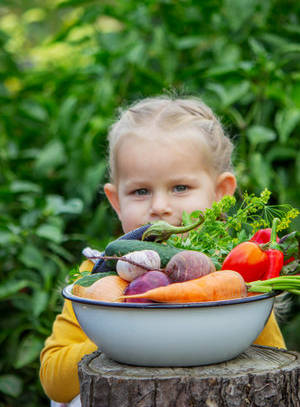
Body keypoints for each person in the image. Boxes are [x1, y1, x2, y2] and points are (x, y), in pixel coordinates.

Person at [40, 96, 286, 405]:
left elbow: (272, 367)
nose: (159, 207)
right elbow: (53, 382)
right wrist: (119, 336)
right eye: (140, 191)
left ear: (221, 192)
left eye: (180, 188)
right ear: (116, 202)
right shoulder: (96, 277)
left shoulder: (237, 280)